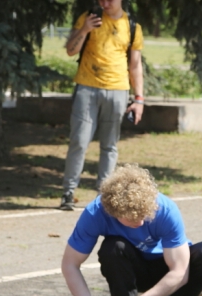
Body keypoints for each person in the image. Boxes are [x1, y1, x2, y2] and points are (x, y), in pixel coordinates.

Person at [61, 164, 202, 296]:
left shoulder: (165, 208)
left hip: (167, 269)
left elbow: (180, 272)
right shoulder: (95, 214)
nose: (139, 223)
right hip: (135, 269)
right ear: (112, 212)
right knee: (112, 247)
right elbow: (70, 264)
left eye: (143, 215)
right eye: (131, 219)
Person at [60, 0, 145, 211]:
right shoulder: (88, 18)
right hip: (87, 88)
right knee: (79, 141)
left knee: (109, 145)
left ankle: (103, 196)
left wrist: (139, 99)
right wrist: (85, 28)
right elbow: (71, 50)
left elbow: (135, 65)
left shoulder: (132, 26)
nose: (104, 3)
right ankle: (68, 192)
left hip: (118, 89)